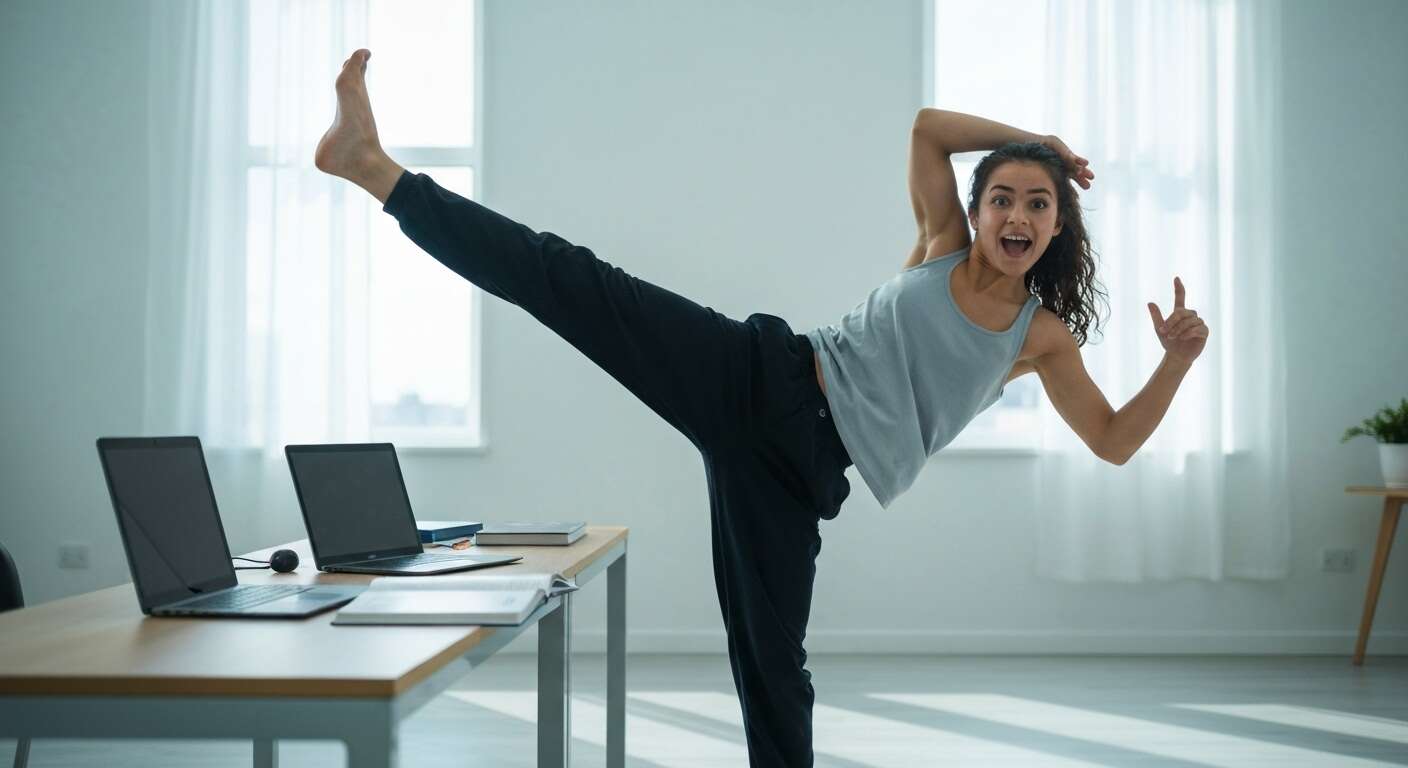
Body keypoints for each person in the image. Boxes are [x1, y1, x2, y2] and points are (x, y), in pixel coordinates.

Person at [315, 48, 1208, 767]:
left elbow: (1115, 441)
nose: (1019, 212)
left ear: (1057, 228)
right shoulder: (939, 243)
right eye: (1003, 197)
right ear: (976, 215)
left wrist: (1172, 365)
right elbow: (929, 129)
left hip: (800, 474)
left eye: (1038, 203)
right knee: (568, 280)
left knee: (774, 670)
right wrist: (1039, 141)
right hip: (762, 373)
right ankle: (375, 169)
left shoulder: (1039, 336)